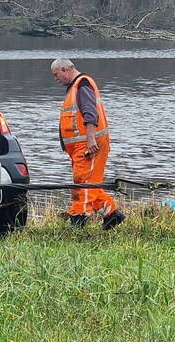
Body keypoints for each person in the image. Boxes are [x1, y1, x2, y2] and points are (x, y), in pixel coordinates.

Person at [51, 58, 126, 229]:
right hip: (81, 148)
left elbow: (90, 113)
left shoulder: (82, 84)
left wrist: (91, 138)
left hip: (89, 146)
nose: (56, 79)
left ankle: (78, 220)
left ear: (65, 69)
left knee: (82, 185)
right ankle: (112, 214)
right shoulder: (75, 88)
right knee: (88, 184)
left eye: (56, 75)